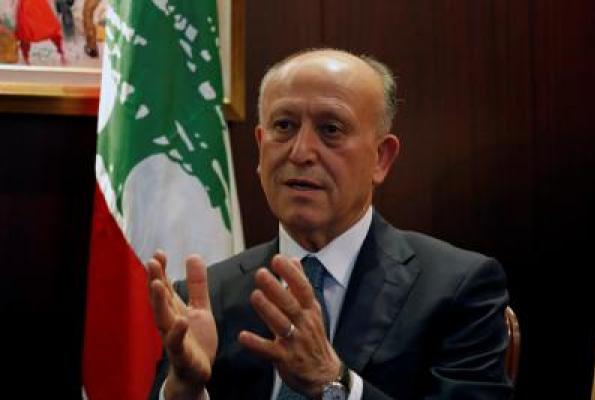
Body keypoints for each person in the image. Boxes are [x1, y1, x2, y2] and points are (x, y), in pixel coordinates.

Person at [148, 48, 512, 399]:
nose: (301, 152)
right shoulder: (206, 298)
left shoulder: (457, 289)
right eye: (284, 126)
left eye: (331, 129)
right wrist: (184, 391)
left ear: (381, 158)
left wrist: (333, 384)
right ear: (261, 146)